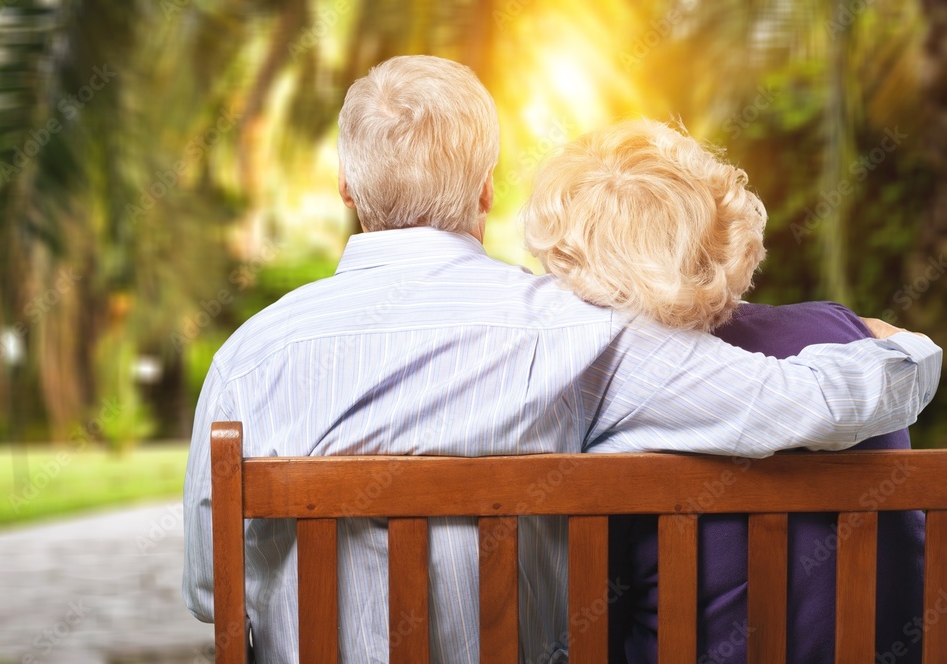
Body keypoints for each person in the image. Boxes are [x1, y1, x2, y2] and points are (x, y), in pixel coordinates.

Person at [183, 57, 941, 664]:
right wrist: (906, 352)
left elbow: (212, 592)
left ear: (347, 187)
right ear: (484, 191)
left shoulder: (249, 356)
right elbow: (802, 401)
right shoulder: (574, 331)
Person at [520, 118, 932, 663]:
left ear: (571, 261)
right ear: (724, 225)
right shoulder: (848, 336)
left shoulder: (608, 392)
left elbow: (588, 631)